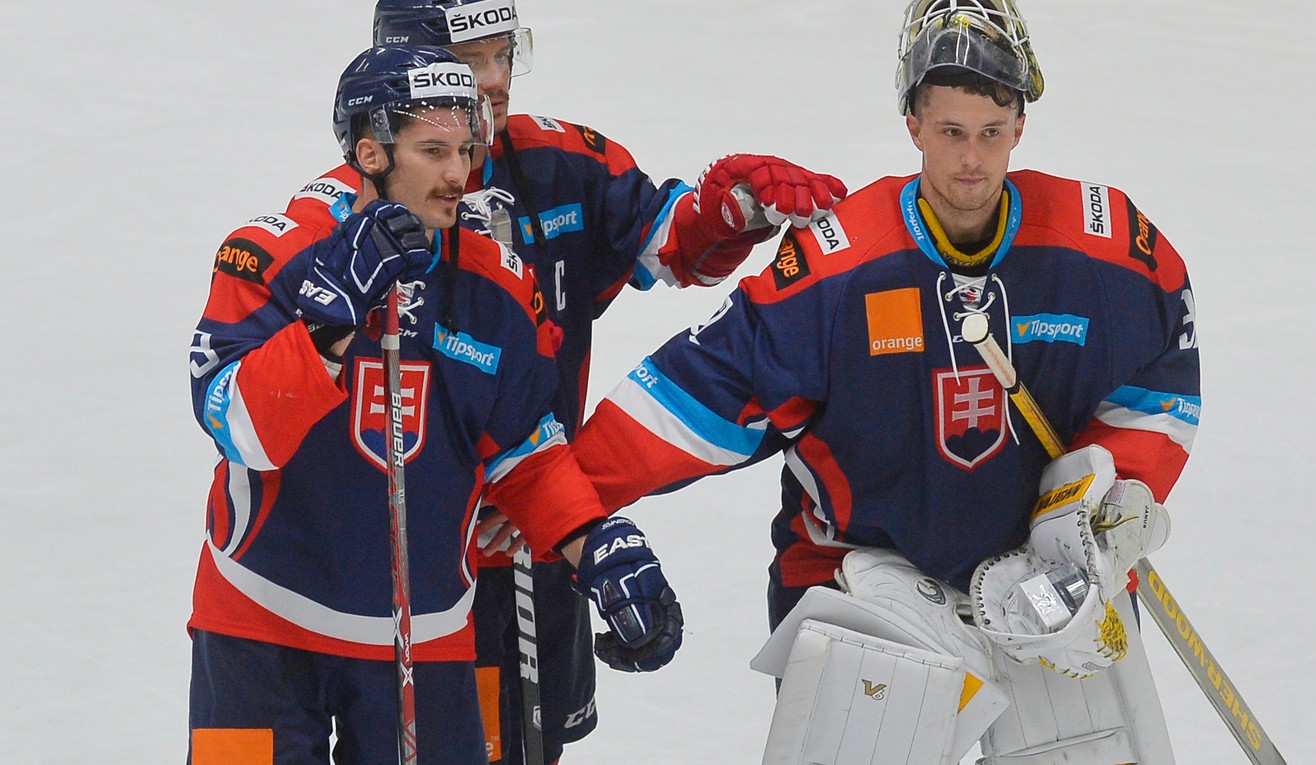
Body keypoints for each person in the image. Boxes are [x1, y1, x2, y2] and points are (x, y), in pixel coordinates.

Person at [570, 0, 1201, 761]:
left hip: (1041, 572)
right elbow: (696, 392)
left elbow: (1162, 364)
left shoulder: (1100, 249)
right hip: (863, 573)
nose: (972, 160)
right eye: (951, 133)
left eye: (992, 134)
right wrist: (556, 498)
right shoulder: (838, 276)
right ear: (912, 125)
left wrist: (1106, 499)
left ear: (1021, 128)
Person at [284, 2, 847, 763]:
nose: (493, 82)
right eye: (469, 59)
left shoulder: (561, 162)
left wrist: (728, 212)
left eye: (503, 55)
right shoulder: (348, 216)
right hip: (407, 571)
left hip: (549, 537)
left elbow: (666, 241)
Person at [185, 45, 681, 765]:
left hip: (428, 633)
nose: (460, 173)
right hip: (259, 624)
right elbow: (237, 428)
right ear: (369, 152)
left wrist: (592, 546)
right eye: (433, 150)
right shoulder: (271, 256)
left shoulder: (499, 290)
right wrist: (325, 330)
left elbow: (527, 454)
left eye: (467, 148)